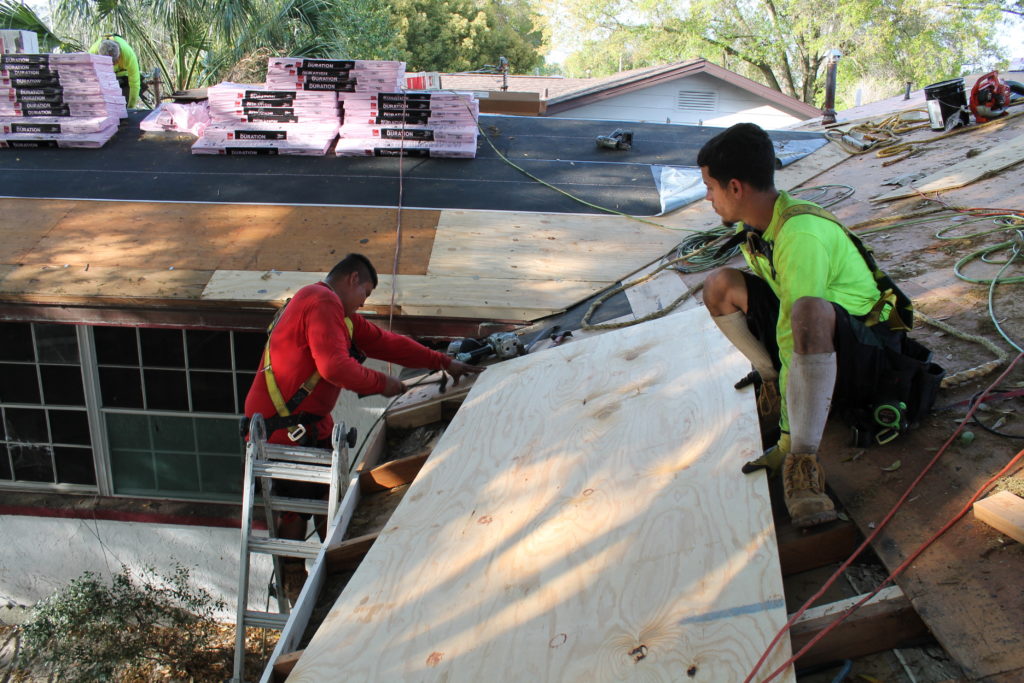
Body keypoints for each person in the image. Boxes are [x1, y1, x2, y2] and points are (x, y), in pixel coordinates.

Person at [698, 123, 941, 529]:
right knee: (719, 285)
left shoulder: (800, 234)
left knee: (807, 313)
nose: (707, 197)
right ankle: (774, 385)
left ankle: (803, 462)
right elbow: (781, 311)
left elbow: (799, 324)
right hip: (823, 339)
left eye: (709, 186)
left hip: (869, 354)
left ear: (736, 187)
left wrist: (788, 440)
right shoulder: (759, 227)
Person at [244, 253, 484, 601]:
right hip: (282, 431)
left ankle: (341, 573)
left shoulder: (343, 317)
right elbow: (334, 367)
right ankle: (295, 577)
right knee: (296, 502)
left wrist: (443, 361)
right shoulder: (321, 300)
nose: (364, 301)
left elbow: (388, 343)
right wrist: (381, 383)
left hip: (310, 425)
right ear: (352, 279)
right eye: (366, 292)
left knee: (334, 504)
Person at [88, 35, 140, 108]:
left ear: (119, 56)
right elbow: (89, 80)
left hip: (123, 76)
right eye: (109, 63)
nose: (112, 65)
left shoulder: (128, 55)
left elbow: (134, 83)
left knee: (124, 106)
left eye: (114, 62)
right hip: (103, 76)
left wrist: (131, 107)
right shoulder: (92, 54)